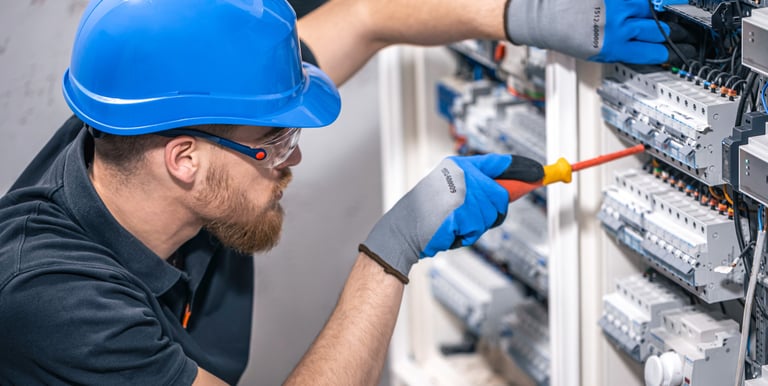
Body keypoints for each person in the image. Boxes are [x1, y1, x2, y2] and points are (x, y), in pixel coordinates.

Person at [0, 0, 677, 384]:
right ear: (185, 161)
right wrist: (391, 252)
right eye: (274, 142)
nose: (292, 158)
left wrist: (521, 14)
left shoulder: (144, 120)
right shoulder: (55, 302)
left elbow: (364, 16)